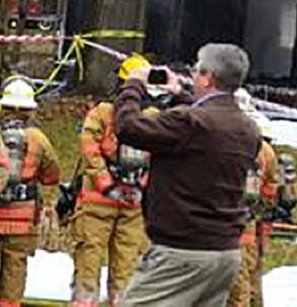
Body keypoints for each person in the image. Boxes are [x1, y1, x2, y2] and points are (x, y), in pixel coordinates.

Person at [115, 43, 261, 307]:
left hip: (182, 252)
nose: (191, 75)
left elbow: (128, 128)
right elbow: (206, 128)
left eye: (195, 69)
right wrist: (181, 95)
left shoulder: (190, 123)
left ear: (206, 78)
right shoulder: (247, 128)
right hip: (225, 251)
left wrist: (133, 85)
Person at [70, 54, 155, 307]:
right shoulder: (152, 116)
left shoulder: (102, 113)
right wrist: (140, 187)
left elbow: (90, 151)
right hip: (128, 202)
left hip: (104, 200)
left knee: (94, 264)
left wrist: (107, 185)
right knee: (120, 268)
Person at [0, 76, 61, 307]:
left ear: (3, 107)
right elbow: (52, 175)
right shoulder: (38, 139)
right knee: (15, 267)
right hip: (23, 217)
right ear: (30, 109)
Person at [226, 106, 282, 307]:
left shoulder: (223, 142)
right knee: (247, 273)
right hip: (247, 221)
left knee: (238, 279)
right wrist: (261, 210)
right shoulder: (266, 151)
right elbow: (271, 186)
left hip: (226, 221)